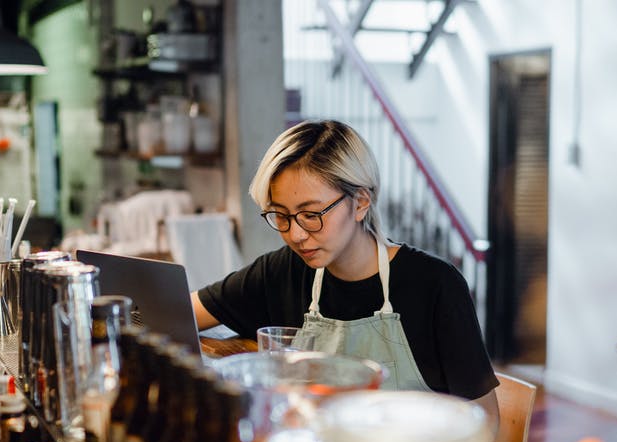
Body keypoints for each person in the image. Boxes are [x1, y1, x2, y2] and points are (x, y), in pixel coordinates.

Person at [191, 120, 500, 421]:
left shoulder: (434, 285)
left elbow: (485, 425)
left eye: (311, 215)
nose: (295, 234)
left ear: (361, 202)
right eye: (281, 215)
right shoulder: (283, 269)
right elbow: (182, 311)